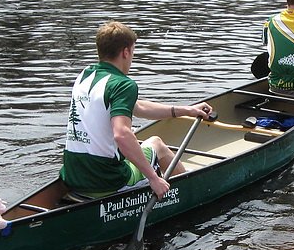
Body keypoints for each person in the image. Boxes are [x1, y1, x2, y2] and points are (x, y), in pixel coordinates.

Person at [60, 21, 213, 199]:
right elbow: (122, 134)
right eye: (133, 51)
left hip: (73, 176)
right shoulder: (123, 84)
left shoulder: (85, 76)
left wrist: (187, 110)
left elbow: (138, 107)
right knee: (156, 143)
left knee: (131, 143)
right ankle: (189, 191)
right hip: (108, 181)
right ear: (126, 52)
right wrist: (153, 178)